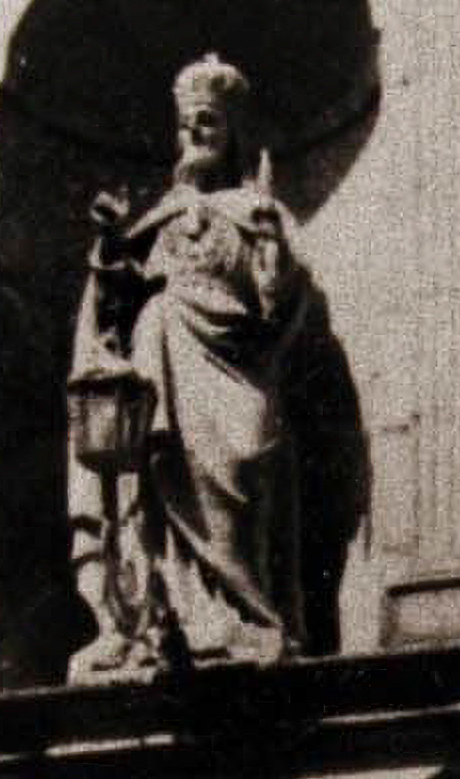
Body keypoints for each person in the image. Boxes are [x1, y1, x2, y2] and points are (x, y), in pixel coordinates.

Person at [71, 54, 307, 668]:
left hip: (234, 369)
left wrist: (272, 250)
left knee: (244, 472)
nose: (194, 133)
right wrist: (107, 248)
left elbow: (280, 304)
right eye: (185, 124)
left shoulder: (258, 210)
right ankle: (160, 614)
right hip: (158, 364)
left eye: (207, 121)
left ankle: (247, 617)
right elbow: (110, 311)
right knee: (153, 481)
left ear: (232, 132)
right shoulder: (158, 217)